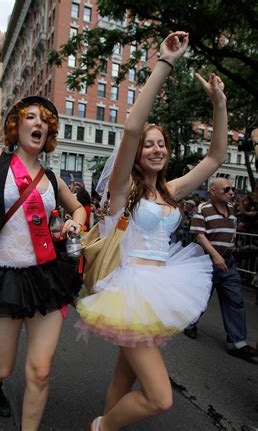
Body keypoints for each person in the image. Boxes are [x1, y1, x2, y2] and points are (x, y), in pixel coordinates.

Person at [75, 32, 229, 430]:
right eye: (150, 145)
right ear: (138, 154)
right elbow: (130, 129)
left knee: (122, 379)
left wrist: (219, 103)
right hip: (132, 289)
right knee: (160, 398)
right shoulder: (123, 189)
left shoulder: (171, 191)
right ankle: (101, 427)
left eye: (162, 144)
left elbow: (216, 157)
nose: (157, 149)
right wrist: (165, 62)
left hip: (163, 284)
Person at [0, 22, 86, 430]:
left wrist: (72, 223)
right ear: (17, 126)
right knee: (3, 366)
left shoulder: (52, 180)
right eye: (29, 117)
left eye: (44, 119)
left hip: (46, 276)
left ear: (49, 131)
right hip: (1, 277)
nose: (38, 122)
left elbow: (82, 211)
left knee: (39, 371)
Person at [185, 178, 257, 362]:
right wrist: (215, 256)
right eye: (226, 189)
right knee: (202, 297)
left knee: (235, 300)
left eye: (232, 189)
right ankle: (190, 323)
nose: (231, 192)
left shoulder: (232, 209)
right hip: (207, 262)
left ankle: (237, 342)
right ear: (213, 191)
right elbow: (200, 236)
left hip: (228, 262)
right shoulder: (203, 209)